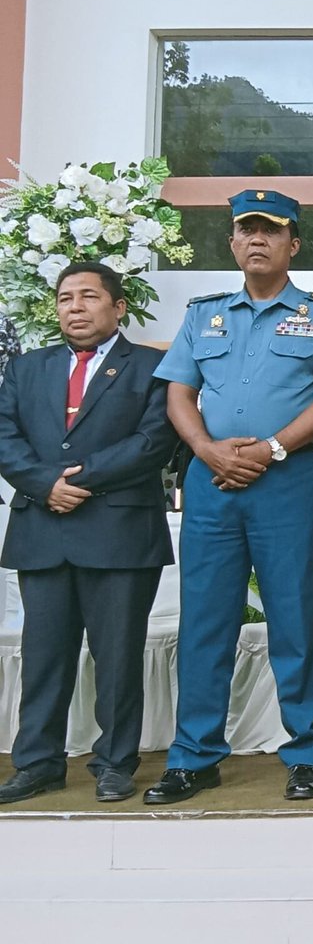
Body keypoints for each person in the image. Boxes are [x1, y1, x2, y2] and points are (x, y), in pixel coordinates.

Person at [145, 190, 313, 804]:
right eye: (247, 230)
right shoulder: (203, 314)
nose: (258, 239)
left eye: (272, 230)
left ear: (294, 244)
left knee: (294, 619)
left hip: (286, 483)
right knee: (205, 622)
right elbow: (180, 392)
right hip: (212, 483)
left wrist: (272, 450)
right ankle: (194, 755)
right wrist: (207, 452)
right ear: (233, 243)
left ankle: (306, 751)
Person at [0, 262, 176, 803]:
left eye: (88, 297)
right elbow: (4, 433)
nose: (74, 307)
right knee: (44, 655)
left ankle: (115, 762)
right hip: (43, 528)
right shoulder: (26, 368)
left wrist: (80, 479)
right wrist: (44, 483)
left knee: (118, 657)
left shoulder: (153, 366)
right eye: (65, 298)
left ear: (118, 307)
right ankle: (37, 763)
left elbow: (155, 440)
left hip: (119, 533)